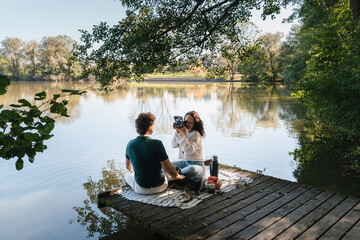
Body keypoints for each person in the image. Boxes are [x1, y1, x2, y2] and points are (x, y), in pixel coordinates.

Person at [112, 112, 184, 195]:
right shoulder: (157, 144)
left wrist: (135, 173)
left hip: (142, 189)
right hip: (161, 187)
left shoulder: (130, 144)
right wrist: (177, 176)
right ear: (150, 127)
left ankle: (129, 193)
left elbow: (128, 167)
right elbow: (168, 167)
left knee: (127, 174)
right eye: (153, 125)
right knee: (164, 173)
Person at [171, 111, 206, 179]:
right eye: (186, 122)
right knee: (167, 166)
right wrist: (177, 131)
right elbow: (174, 145)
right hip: (184, 163)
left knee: (192, 169)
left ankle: (176, 174)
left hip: (197, 165)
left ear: (195, 124)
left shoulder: (196, 134)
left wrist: (184, 135)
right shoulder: (184, 131)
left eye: (190, 122)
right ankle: (178, 173)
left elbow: (189, 150)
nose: (188, 124)